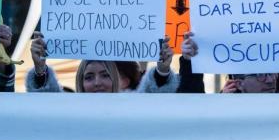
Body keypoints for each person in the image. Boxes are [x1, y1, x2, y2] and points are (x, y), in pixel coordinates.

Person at [25, 31, 178, 93]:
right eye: (89, 77)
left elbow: (155, 96)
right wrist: (40, 69)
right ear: (80, 82)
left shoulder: (134, 108)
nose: (97, 83)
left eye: (106, 75)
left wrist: (162, 70)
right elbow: (46, 101)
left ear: (121, 80)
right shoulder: (69, 110)